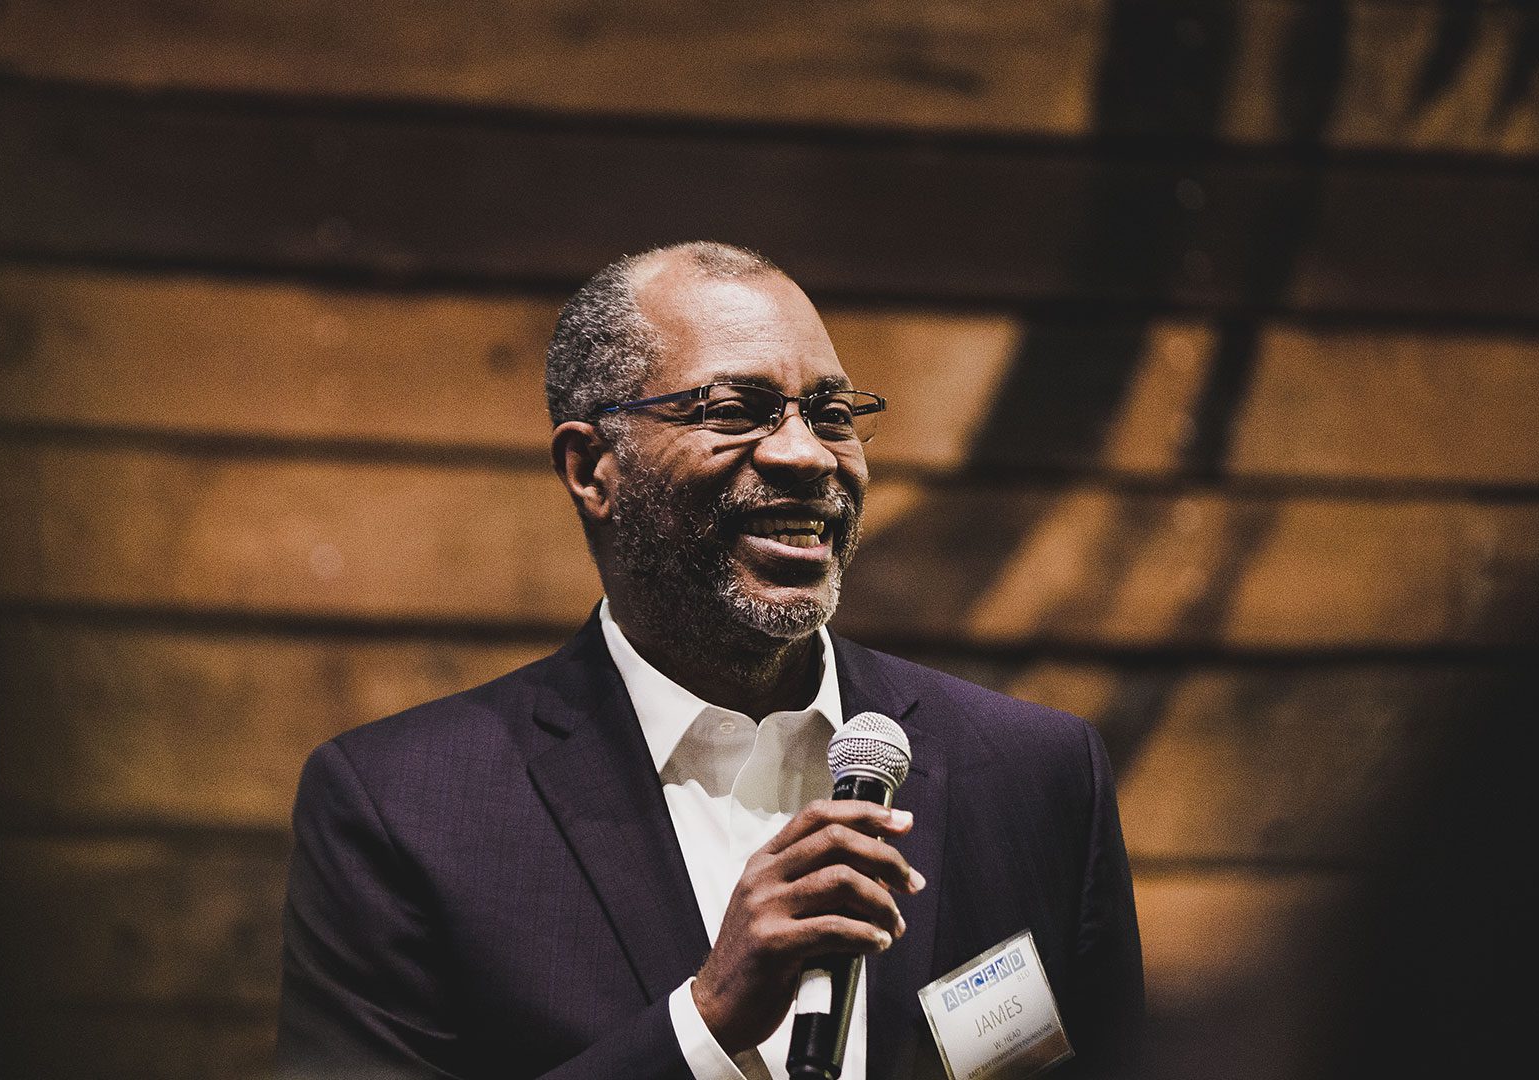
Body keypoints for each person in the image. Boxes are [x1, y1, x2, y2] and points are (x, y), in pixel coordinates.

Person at [275, 242, 1143, 1080]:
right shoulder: (401, 807)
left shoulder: (1037, 774)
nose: (805, 455)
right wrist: (704, 1023)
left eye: (832, 416)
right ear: (591, 468)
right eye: (735, 410)